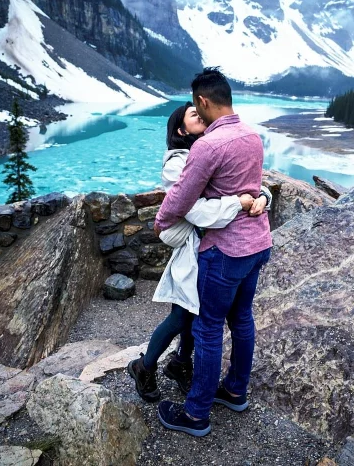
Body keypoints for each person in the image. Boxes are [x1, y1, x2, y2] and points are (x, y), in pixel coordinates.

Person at [154, 68, 273, 437]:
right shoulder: (252, 135)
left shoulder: (207, 145)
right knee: (241, 320)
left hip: (224, 249)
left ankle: (196, 414)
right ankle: (235, 391)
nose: (195, 112)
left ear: (203, 101)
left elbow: (182, 196)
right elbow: (254, 187)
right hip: (257, 244)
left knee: (207, 329)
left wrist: (161, 220)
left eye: (195, 105)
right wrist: (263, 198)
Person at [127, 102, 271, 402]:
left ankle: (181, 362)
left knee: (198, 312)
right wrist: (240, 203)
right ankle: (144, 365)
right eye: (194, 115)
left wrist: (264, 196)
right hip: (194, 247)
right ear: (181, 130)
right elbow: (195, 210)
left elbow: (245, 182)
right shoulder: (176, 163)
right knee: (182, 315)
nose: (202, 116)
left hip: (215, 244)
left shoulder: (213, 148)